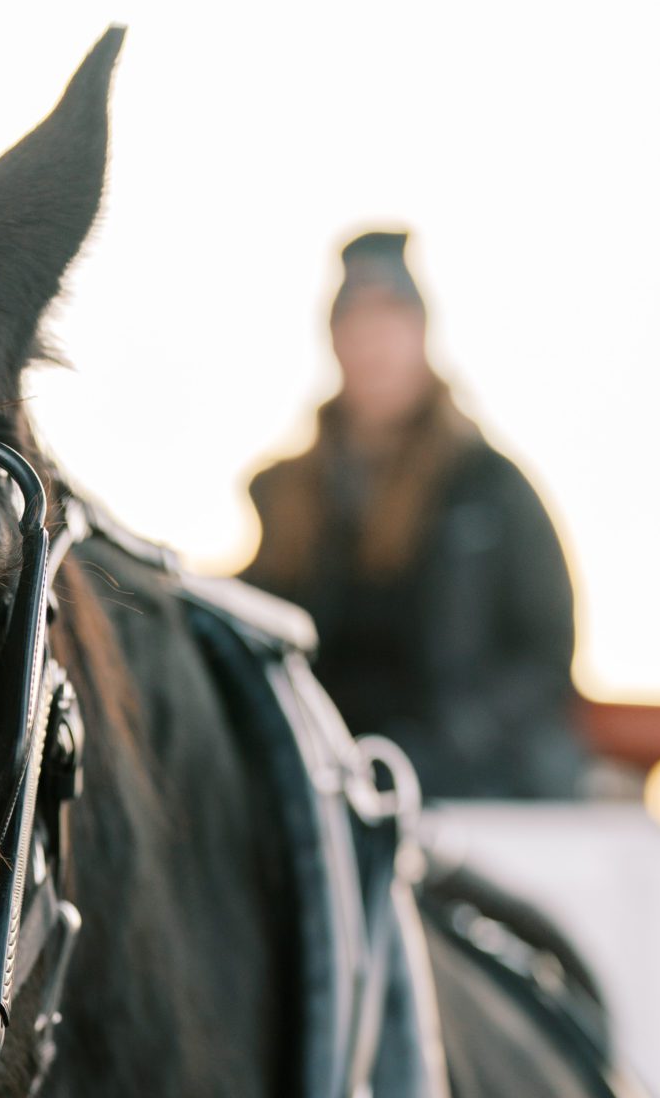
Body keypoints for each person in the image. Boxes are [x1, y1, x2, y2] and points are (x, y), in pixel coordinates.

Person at [245, 229, 583, 799]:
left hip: (464, 786)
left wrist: (462, 736)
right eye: (355, 323)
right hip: (322, 776)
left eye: (390, 321)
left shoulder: (487, 490)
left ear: (422, 334)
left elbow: (548, 654)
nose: (372, 344)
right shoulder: (288, 495)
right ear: (332, 340)